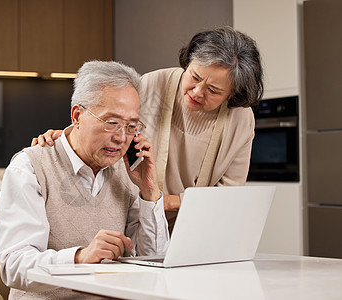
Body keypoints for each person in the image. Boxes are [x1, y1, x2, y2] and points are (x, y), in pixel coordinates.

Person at [32, 26, 264, 232]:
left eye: (213, 90)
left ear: (233, 94)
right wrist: (69, 134)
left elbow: (229, 197)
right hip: (136, 223)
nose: (196, 92)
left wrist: (168, 201)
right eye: (194, 77)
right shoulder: (151, 85)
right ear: (188, 62)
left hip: (197, 229)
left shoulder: (240, 120)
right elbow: (108, 120)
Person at [0, 61, 169, 299]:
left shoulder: (128, 172)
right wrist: (79, 257)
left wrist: (150, 192)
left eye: (131, 126)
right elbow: (14, 266)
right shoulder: (30, 168)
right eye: (112, 123)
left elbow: (153, 261)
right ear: (77, 116)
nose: (121, 138)